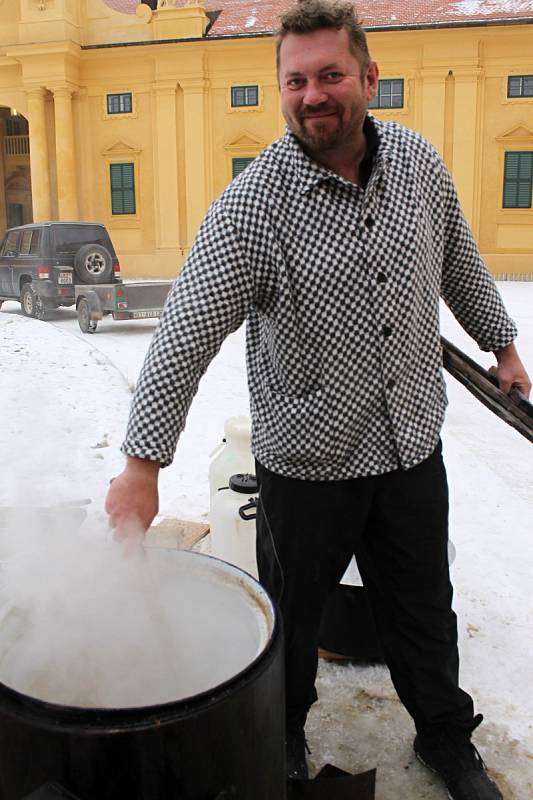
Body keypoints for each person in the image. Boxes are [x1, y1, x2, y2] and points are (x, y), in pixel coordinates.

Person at [106, 2, 531, 798]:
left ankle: (445, 738)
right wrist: (141, 465)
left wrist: (501, 345)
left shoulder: (417, 164)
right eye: (294, 80)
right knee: (291, 629)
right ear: (280, 90)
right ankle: (280, 738)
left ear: (368, 79)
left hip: (410, 445)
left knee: (423, 615)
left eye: (330, 75)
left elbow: (458, 261)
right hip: (306, 467)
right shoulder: (252, 205)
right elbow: (184, 332)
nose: (312, 95)